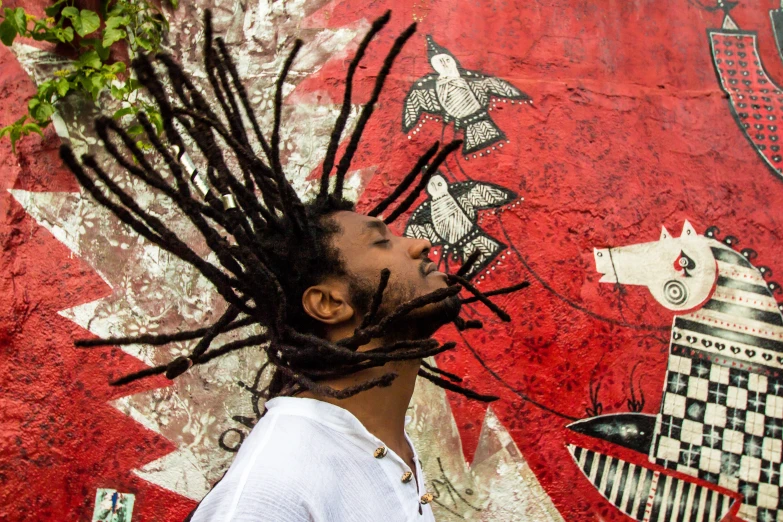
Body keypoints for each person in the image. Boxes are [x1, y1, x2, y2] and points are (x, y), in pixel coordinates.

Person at [62, 10, 526, 522]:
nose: (415, 243)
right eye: (381, 242)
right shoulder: (275, 491)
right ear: (329, 303)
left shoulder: (380, 448)